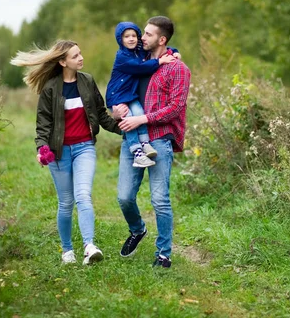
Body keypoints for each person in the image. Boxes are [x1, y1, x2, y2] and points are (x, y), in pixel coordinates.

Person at [10, 40, 121, 265]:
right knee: (66, 202)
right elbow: (43, 124)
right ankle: (67, 251)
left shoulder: (87, 81)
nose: (81, 58)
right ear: (63, 62)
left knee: (83, 196)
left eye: (80, 53)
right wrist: (42, 148)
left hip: (85, 147)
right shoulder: (50, 88)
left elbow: (100, 113)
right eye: (75, 56)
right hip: (59, 152)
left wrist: (123, 128)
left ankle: (89, 247)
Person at [112, 16, 191, 268]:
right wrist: (116, 112)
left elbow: (176, 108)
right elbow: (118, 89)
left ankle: (163, 253)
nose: (141, 37)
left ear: (162, 39)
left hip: (159, 140)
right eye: (142, 33)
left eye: (147, 34)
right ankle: (137, 229)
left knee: (159, 199)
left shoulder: (178, 69)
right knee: (124, 197)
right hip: (131, 141)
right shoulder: (135, 61)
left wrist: (142, 119)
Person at [106, 21, 178, 168]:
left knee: (139, 112)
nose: (131, 39)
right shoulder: (122, 56)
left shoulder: (138, 50)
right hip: (117, 95)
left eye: (134, 35)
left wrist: (174, 51)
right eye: (127, 36)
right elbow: (139, 67)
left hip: (129, 94)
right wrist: (159, 62)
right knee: (129, 118)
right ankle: (137, 152)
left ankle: (145, 143)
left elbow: (159, 46)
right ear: (120, 39)